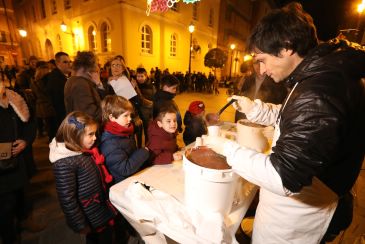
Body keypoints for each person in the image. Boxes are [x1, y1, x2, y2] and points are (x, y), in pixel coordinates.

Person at [220, 2, 365, 243]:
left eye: (263, 59)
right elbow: (295, 116)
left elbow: (283, 177)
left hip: (298, 219)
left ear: (286, 47)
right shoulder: (316, 75)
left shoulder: (319, 90)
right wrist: (255, 109)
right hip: (291, 207)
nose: (262, 70)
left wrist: (225, 149)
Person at [49, 111, 125, 243]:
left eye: (95, 133)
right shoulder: (64, 163)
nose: (95, 138)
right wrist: (80, 224)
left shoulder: (83, 151)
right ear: (74, 135)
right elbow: (67, 199)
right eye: (90, 134)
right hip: (89, 214)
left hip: (98, 208)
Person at [0, 81, 37, 243]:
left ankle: (24, 220)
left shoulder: (14, 98)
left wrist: (25, 141)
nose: (1, 85)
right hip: (1, 166)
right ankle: (9, 236)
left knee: (22, 193)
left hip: (18, 158)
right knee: (5, 204)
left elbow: (29, 123)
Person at [99, 95, 150, 184]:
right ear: (112, 118)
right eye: (125, 116)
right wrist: (144, 152)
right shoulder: (110, 143)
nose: (130, 119)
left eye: (130, 115)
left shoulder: (124, 131)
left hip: (133, 177)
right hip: (122, 184)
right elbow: (125, 169)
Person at [108, 56, 144, 147]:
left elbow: (138, 102)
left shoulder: (127, 81)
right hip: (116, 121)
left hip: (132, 119)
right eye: (113, 65)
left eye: (118, 65)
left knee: (134, 145)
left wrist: (134, 88)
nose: (115, 67)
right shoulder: (107, 83)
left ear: (123, 68)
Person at [64, 51, 103, 122]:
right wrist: (109, 112)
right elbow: (90, 115)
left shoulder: (73, 80)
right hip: (86, 129)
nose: (98, 68)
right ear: (88, 68)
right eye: (96, 64)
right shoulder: (81, 84)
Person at [45, 52, 72, 138]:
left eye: (69, 62)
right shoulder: (55, 78)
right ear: (57, 63)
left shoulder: (63, 76)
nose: (69, 64)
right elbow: (58, 102)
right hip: (60, 119)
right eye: (65, 62)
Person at [30, 61, 56, 141]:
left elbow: (34, 95)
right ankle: (52, 141)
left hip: (40, 106)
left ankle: (50, 140)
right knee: (52, 125)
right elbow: (49, 93)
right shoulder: (44, 82)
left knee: (48, 124)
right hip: (48, 106)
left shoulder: (33, 81)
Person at [135, 67, 155, 142]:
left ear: (146, 76)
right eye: (138, 76)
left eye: (141, 76)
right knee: (138, 132)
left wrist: (136, 88)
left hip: (147, 113)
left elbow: (142, 100)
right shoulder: (136, 85)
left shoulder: (150, 86)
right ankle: (139, 146)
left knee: (147, 131)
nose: (139, 78)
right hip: (138, 112)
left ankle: (147, 146)